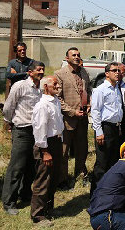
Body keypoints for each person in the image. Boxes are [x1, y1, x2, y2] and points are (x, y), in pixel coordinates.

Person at [1, 60, 45, 215]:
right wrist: (10, 123)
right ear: (30, 72)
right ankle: (9, 202)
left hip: (37, 132)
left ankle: (25, 194)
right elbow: (8, 107)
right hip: (22, 131)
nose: (41, 72)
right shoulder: (20, 86)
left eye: (43, 70)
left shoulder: (42, 89)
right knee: (17, 167)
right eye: (38, 70)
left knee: (31, 166)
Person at [30, 75, 64, 226]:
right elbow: (39, 129)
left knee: (53, 178)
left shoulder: (55, 101)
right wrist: (44, 151)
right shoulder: (42, 105)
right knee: (43, 180)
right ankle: (38, 215)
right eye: (54, 84)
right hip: (46, 145)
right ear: (45, 87)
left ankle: (48, 209)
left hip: (56, 143)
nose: (57, 86)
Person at [55, 47, 91, 189]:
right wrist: (72, 112)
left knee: (82, 149)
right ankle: (62, 179)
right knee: (63, 151)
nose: (76, 57)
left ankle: (81, 174)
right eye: (73, 55)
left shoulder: (84, 73)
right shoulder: (60, 74)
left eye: (78, 55)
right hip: (67, 119)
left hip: (82, 119)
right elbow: (58, 98)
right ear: (67, 58)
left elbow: (89, 91)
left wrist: (89, 104)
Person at [90, 62, 124, 193]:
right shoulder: (100, 90)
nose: (117, 73)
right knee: (102, 162)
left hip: (116, 128)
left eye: (119, 71)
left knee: (113, 161)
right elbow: (96, 111)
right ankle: (96, 193)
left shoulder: (117, 88)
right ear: (107, 73)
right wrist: (99, 131)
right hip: (105, 128)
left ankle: (109, 190)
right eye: (114, 70)